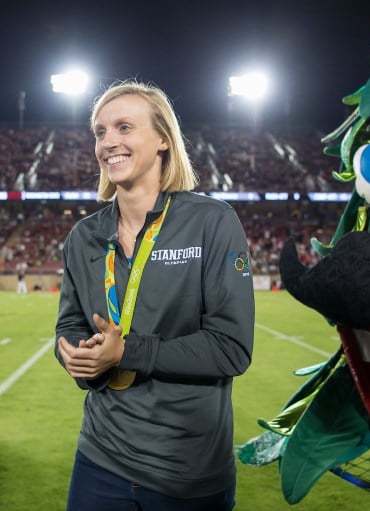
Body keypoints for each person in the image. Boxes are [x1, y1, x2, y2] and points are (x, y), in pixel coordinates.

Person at [55, 81, 255, 511]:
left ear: (164, 139)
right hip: (99, 458)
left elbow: (231, 349)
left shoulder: (212, 222)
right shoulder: (84, 237)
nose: (109, 143)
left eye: (124, 127)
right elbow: (69, 323)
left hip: (187, 471)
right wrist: (74, 355)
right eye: (100, 132)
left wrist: (125, 351)